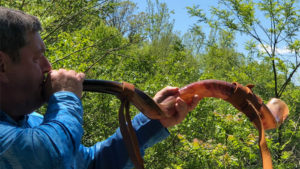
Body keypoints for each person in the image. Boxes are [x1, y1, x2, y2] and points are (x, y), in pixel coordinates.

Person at [0, 7, 200, 169]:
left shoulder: (34, 124)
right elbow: (50, 157)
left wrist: (150, 120)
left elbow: (93, 164)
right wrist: (65, 96)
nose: (48, 67)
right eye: (36, 58)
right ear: (2, 65)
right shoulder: (37, 138)